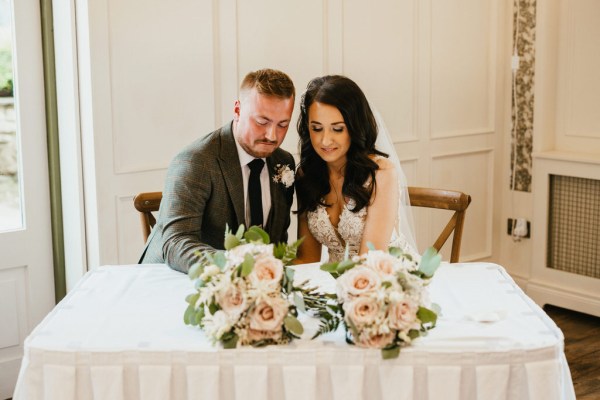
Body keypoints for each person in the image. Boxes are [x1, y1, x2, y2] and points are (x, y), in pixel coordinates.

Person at [139, 68, 296, 273]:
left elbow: (277, 241)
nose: (272, 135)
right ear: (238, 110)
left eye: (283, 124)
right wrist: (238, 264)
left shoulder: (283, 162)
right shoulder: (196, 161)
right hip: (173, 280)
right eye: (261, 122)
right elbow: (176, 243)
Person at [294, 75, 417, 264]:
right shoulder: (306, 175)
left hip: (386, 280)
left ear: (354, 126)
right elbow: (307, 258)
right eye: (317, 128)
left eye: (337, 129)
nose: (325, 140)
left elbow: (370, 261)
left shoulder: (380, 174)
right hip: (337, 284)